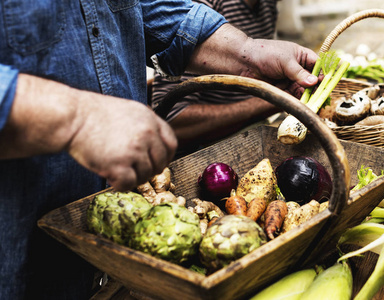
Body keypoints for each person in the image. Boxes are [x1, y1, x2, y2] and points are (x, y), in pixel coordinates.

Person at [0, 0, 318, 299]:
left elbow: (148, 8)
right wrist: (76, 118)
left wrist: (247, 51)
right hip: (17, 250)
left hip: (123, 249)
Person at [151, 0, 292, 155]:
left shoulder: (266, 6)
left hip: (249, 131)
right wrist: (276, 100)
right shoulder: (203, 6)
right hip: (203, 150)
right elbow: (173, 121)